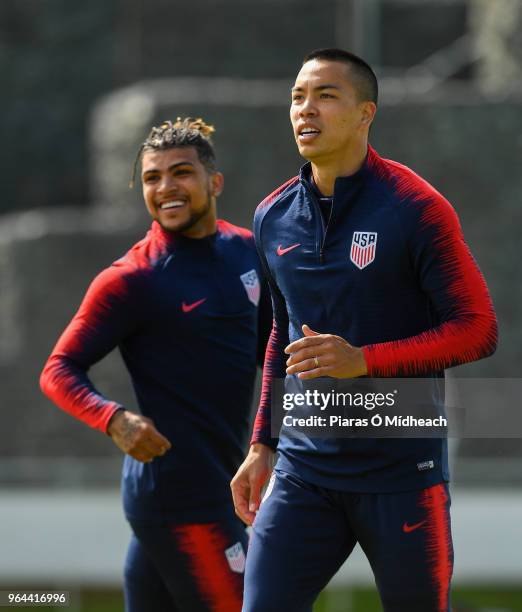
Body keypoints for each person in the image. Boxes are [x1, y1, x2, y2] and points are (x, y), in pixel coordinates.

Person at [231, 49, 498, 612]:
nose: (306, 110)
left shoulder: (415, 207)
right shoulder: (272, 216)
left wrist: (365, 361)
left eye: (326, 96)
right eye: (297, 97)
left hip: (403, 473)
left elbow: (477, 329)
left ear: (364, 113)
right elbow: (283, 334)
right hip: (305, 473)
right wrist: (262, 443)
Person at [40, 117, 272, 612]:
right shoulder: (131, 279)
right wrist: (114, 418)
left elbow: (271, 356)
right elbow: (58, 370)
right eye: (151, 177)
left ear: (215, 182)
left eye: (181, 172)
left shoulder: (247, 252)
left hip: (218, 489)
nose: (166, 187)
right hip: (181, 499)